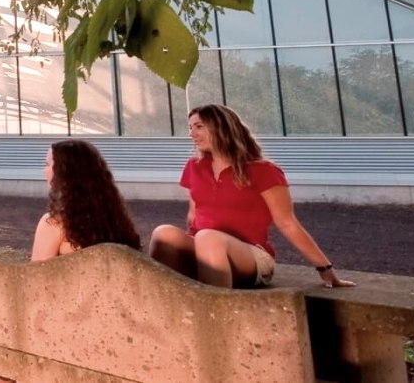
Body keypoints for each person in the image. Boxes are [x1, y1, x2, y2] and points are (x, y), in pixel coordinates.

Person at [0, 139, 140, 383]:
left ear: (64, 173)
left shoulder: (56, 223)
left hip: (69, 327)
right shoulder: (116, 222)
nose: (43, 170)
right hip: (114, 327)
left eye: (47, 164)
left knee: (12, 320)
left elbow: (35, 287)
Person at [147, 104, 355, 290]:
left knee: (208, 237)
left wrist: (325, 269)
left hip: (251, 257)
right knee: (164, 233)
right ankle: (161, 305)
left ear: (223, 127)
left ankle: (216, 315)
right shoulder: (194, 167)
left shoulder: (264, 171)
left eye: (199, 126)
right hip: (206, 248)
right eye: (190, 127)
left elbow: (288, 224)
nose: (192, 133)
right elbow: (194, 216)